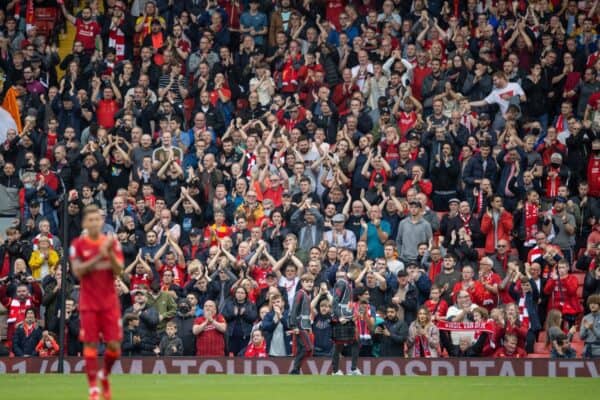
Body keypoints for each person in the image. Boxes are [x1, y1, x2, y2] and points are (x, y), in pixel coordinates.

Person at [70, 205, 124, 400]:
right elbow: (78, 271)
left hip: (109, 302)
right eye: (90, 220)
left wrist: (107, 253)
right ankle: (93, 388)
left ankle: (104, 375)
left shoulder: (111, 243)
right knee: (91, 343)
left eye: (97, 219)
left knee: (114, 346)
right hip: (88, 302)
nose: (94, 223)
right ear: (85, 223)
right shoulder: (77, 244)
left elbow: (119, 271)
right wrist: (97, 257)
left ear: (102, 222)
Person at [331, 268, 360, 375]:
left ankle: (352, 369)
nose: (358, 276)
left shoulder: (349, 283)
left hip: (347, 316)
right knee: (339, 344)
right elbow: (335, 301)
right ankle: (335, 370)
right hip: (341, 318)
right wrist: (339, 317)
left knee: (355, 341)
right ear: (354, 271)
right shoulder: (341, 283)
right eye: (358, 273)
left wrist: (351, 314)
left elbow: (347, 302)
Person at [288, 273, 314, 375]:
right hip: (299, 326)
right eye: (307, 282)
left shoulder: (307, 294)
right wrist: (294, 326)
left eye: (311, 282)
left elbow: (305, 314)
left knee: (302, 348)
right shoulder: (300, 293)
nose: (310, 284)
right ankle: (295, 368)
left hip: (304, 326)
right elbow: (294, 310)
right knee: (308, 348)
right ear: (302, 283)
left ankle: (296, 369)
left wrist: (309, 326)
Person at [581, 294, 600, 358]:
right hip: (586, 350)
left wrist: (592, 328)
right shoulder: (585, 318)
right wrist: (586, 329)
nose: (592, 305)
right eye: (590, 303)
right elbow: (581, 337)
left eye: (595, 303)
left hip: (598, 351)